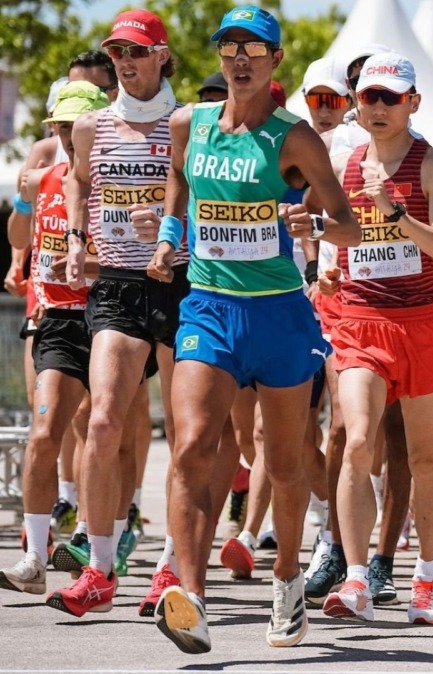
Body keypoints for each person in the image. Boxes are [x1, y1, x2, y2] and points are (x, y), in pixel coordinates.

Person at [146, 6, 360, 653]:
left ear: (276, 61)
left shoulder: (295, 139)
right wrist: (167, 237)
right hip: (209, 308)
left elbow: (348, 223)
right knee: (190, 447)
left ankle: (288, 577)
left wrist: (316, 229)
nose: (240, 58)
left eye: (254, 48)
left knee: (287, 460)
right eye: (229, 46)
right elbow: (177, 184)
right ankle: (192, 600)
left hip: (279, 315)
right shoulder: (190, 123)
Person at [49, 9, 190, 617]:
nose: (125, 62)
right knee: (101, 421)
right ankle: (100, 568)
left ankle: (173, 566)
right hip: (117, 286)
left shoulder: (191, 123)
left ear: (162, 55)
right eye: (117, 54)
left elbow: (207, 193)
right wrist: (79, 238)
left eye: (136, 51)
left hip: (185, 282)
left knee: (189, 435)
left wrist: (166, 225)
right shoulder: (91, 126)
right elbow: (80, 180)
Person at [317, 53, 433, 624]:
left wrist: (394, 212)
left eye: (390, 98)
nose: (377, 107)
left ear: (413, 104)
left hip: (421, 321)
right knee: (357, 441)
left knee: (424, 457)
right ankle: (355, 579)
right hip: (359, 320)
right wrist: (326, 261)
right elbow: (347, 240)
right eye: (369, 96)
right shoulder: (345, 161)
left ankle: (425, 578)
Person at [0, 82, 109, 596]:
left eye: (75, 127)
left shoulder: (113, 184)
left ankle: (96, 538)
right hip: (57, 321)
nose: (67, 137)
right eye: (61, 128)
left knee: (100, 432)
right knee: (46, 433)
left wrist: (81, 261)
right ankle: (33, 555)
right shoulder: (47, 178)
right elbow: (22, 242)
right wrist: (24, 203)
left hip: (111, 318)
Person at [301, 58, 349, 134]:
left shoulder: (368, 143)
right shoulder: (290, 144)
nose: (324, 113)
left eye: (334, 102)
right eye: (315, 101)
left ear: (351, 102)